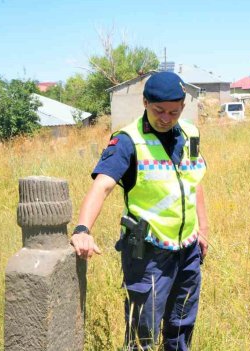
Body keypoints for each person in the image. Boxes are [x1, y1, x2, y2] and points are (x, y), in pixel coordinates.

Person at [70, 71, 209, 351]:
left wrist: (202, 230)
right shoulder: (127, 141)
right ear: (145, 102)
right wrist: (82, 229)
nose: (167, 118)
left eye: (174, 111)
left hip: (188, 250)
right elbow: (103, 186)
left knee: (181, 327)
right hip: (148, 253)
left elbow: (194, 180)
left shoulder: (191, 134)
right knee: (142, 333)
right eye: (159, 110)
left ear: (183, 106)